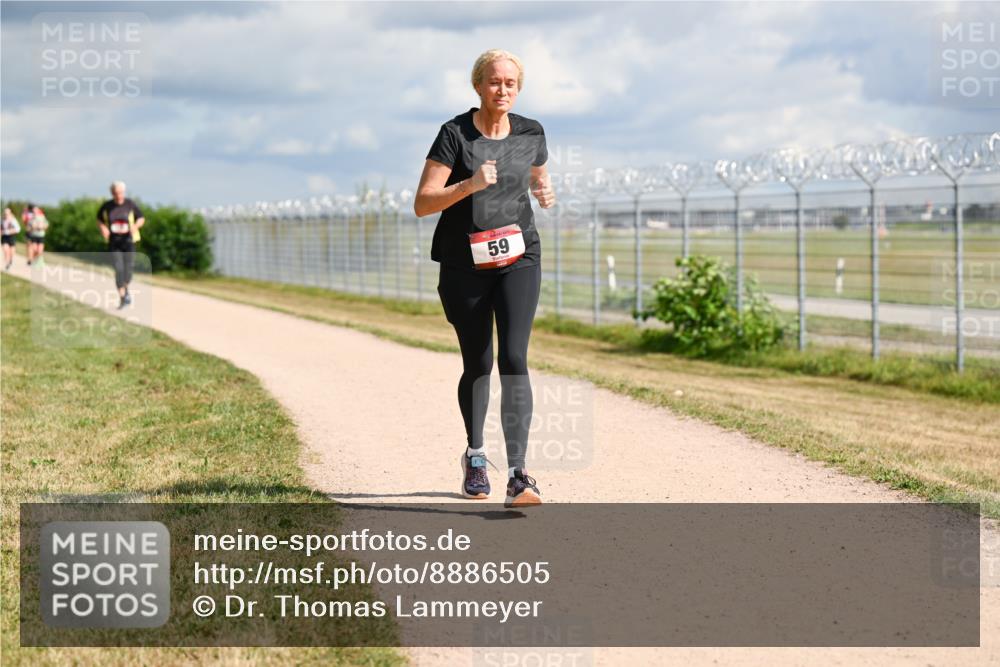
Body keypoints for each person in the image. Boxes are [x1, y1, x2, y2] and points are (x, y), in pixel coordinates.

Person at [414, 49, 556, 508]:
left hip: (519, 255)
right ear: (478, 86)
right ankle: (476, 457)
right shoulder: (454, 134)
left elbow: (537, 174)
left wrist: (544, 188)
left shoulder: (531, 131)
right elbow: (423, 201)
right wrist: (469, 185)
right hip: (464, 263)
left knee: (514, 356)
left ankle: (519, 474)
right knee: (479, 364)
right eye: (495, 82)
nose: (503, 90)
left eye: (511, 83)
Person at [97, 181, 145, 309]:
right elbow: (99, 219)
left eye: (120, 192)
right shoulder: (107, 206)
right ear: (112, 193)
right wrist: (103, 229)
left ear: (124, 192)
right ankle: (123, 297)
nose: (118, 195)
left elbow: (141, 218)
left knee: (128, 270)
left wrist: (135, 226)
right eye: (116, 193)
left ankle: (126, 288)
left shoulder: (130, 204)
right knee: (119, 269)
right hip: (114, 241)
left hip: (128, 241)